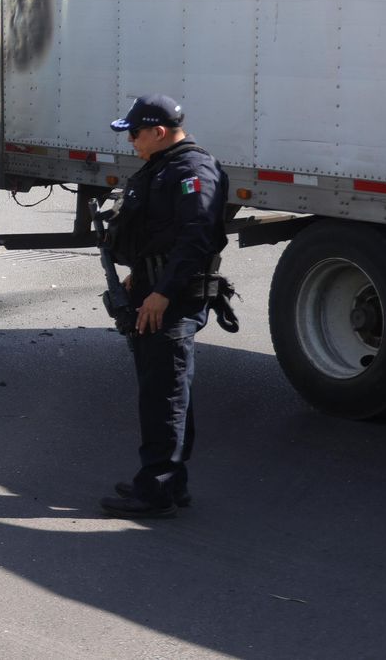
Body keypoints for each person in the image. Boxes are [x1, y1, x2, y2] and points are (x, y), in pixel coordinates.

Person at [98, 94, 229, 519]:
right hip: (154, 289)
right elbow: (161, 231)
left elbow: (196, 238)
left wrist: (163, 292)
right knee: (167, 390)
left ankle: (155, 488)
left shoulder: (193, 170)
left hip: (171, 300)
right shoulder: (164, 165)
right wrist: (141, 271)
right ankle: (171, 482)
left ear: (158, 131)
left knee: (165, 395)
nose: (131, 141)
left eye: (135, 133)